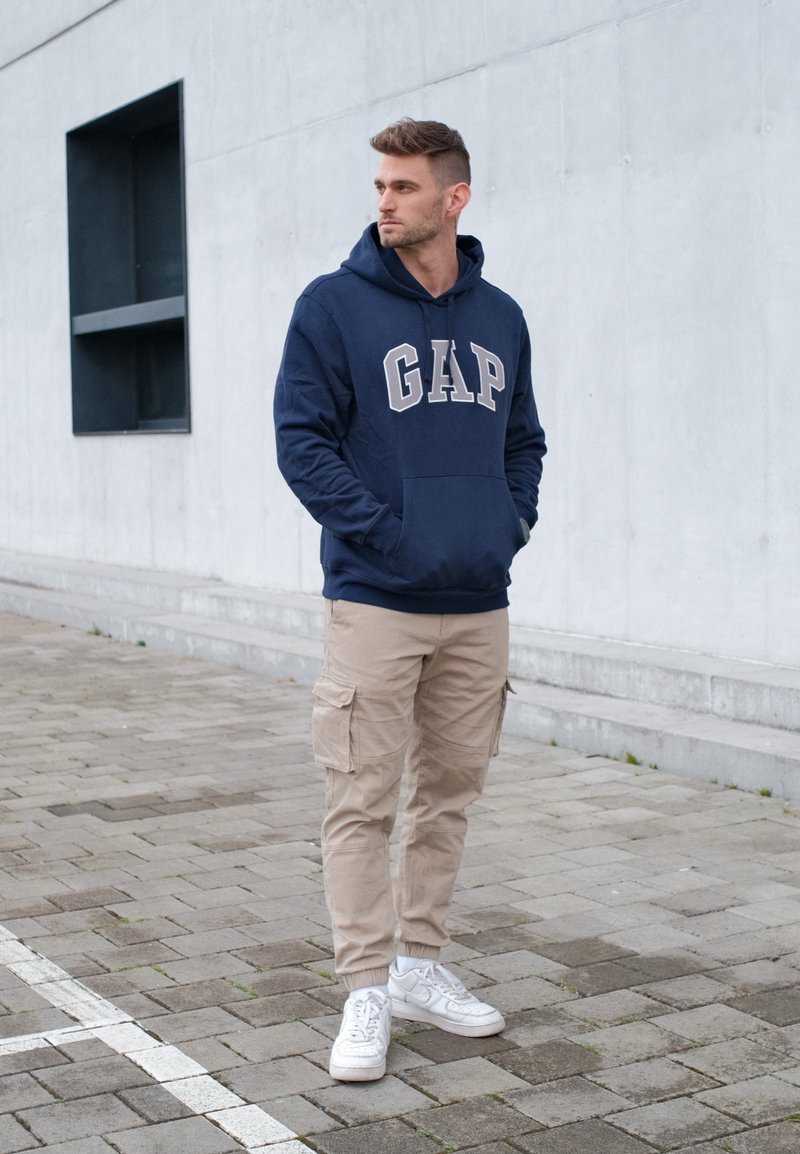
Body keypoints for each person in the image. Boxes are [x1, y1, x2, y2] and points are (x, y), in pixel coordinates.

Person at [273, 118, 546, 1081]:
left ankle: (419, 965)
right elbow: (300, 441)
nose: (383, 201)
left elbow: (524, 439)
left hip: (480, 599)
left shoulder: (501, 314)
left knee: (448, 797)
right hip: (377, 599)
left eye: (403, 187)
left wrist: (505, 524)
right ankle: (362, 990)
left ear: (453, 197)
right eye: (379, 186)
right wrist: (387, 533)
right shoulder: (333, 307)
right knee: (360, 797)